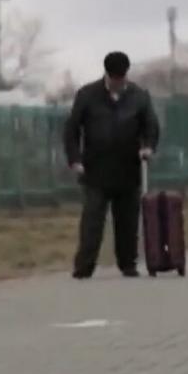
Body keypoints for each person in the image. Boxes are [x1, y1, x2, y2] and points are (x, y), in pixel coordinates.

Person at [62, 51, 160, 279]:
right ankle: (84, 266)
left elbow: (151, 126)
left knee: (127, 220)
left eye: (122, 79)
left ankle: (128, 263)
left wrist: (148, 147)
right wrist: (75, 159)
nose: (119, 83)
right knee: (92, 220)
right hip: (96, 169)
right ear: (107, 75)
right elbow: (72, 129)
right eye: (115, 79)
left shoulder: (139, 96)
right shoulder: (87, 95)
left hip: (128, 168)